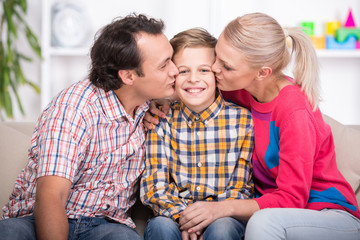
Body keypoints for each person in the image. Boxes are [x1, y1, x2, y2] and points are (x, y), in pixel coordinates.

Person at [144, 13, 360, 240]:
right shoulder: (243, 87)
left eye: (225, 66)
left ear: (261, 73)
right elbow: (195, 90)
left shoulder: (294, 112)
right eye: (216, 58)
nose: (215, 69)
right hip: (275, 209)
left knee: (262, 222)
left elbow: (292, 199)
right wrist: (160, 101)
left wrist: (222, 208)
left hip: (322, 212)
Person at [0, 13, 179, 240]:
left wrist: (164, 99)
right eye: (164, 65)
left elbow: (202, 90)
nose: (175, 70)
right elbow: (52, 196)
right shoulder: (75, 108)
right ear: (128, 76)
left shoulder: (147, 105)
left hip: (106, 226)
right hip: (37, 220)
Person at [140, 28, 254, 240]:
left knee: (223, 229)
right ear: (173, 74)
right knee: (160, 228)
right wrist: (187, 219)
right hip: (172, 215)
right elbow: (154, 187)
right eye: (183, 71)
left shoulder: (243, 121)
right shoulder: (161, 119)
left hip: (223, 216)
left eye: (203, 70)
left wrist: (208, 217)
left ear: (217, 74)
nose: (193, 79)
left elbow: (241, 187)